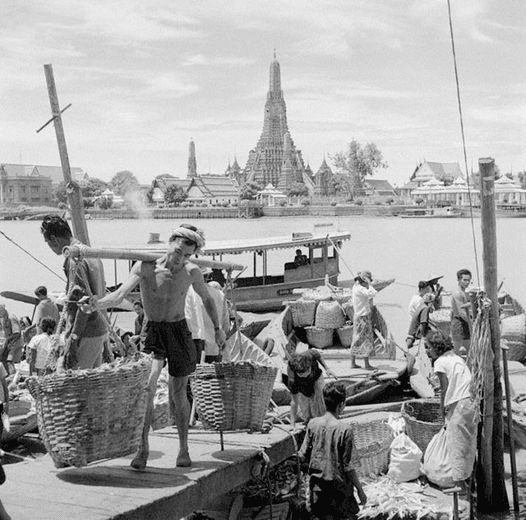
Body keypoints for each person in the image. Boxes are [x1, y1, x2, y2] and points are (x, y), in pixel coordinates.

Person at [82, 224, 226, 469]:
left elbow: (207, 300)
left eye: (187, 254)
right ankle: (143, 448)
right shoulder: (145, 267)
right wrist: (97, 304)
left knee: (178, 391)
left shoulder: (191, 271)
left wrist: (219, 328)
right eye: (179, 250)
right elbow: (119, 295)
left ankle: (183, 448)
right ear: (170, 243)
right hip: (153, 331)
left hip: (179, 331)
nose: (181, 257)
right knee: (147, 388)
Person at [40, 215, 108, 369]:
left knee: (74, 384)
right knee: (92, 385)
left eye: (48, 243)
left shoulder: (74, 259)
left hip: (86, 332)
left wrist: (73, 339)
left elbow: (83, 302)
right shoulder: (90, 253)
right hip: (98, 330)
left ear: (54, 239)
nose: (49, 247)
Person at [298, 381, 367, 520]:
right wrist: (360, 490)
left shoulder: (313, 424)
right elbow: (348, 467)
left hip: (317, 490)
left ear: (324, 402)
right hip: (339, 492)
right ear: (341, 405)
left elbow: (302, 455)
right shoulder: (345, 429)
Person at [424, 331, 479, 489]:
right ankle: (468, 480)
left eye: (428, 347)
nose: (427, 351)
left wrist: (442, 409)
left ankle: (459, 483)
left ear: (437, 347)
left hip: (460, 403)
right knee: (469, 441)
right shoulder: (455, 357)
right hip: (471, 401)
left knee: (457, 442)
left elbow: (443, 388)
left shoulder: (440, 362)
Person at [285, 348, 335, 428]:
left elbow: (318, 355)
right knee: (304, 404)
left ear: (309, 367)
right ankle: (308, 420)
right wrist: (292, 425)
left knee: (320, 397)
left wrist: (327, 368)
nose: (304, 375)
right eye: (301, 374)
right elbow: (294, 402)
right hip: (301, 384)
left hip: (316, 377)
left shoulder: (309, 355)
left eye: (305, 373)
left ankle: (324, 419)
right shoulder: (293, 380)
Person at [350, 270, 376, 370]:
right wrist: (370, 284)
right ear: (364, 281)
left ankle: (353, 363)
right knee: (366, 340)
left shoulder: (355, 287)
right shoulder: (360, 289)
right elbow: (372, 293)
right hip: (363, 317)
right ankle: (367, 365)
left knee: (356, 339)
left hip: (358, 316)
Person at [450, 269, 473, 355]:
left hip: (466, 323)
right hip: (458, 323)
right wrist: (473, 323)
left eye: (469, 280)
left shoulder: (465, 293)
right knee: (458, 351)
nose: (467, 282)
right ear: (459, 280)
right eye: (465, 280)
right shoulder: (457, 293)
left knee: (469, 350)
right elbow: (462, 312)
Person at [0, 305, 23, 376]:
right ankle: (7, 377)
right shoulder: (3, 318)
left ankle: (12, 379)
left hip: (15, 342)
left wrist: (7, 340)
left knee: (9, 361)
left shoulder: (11, 317)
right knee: (3, 359)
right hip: (10, 343)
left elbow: (17, 333)